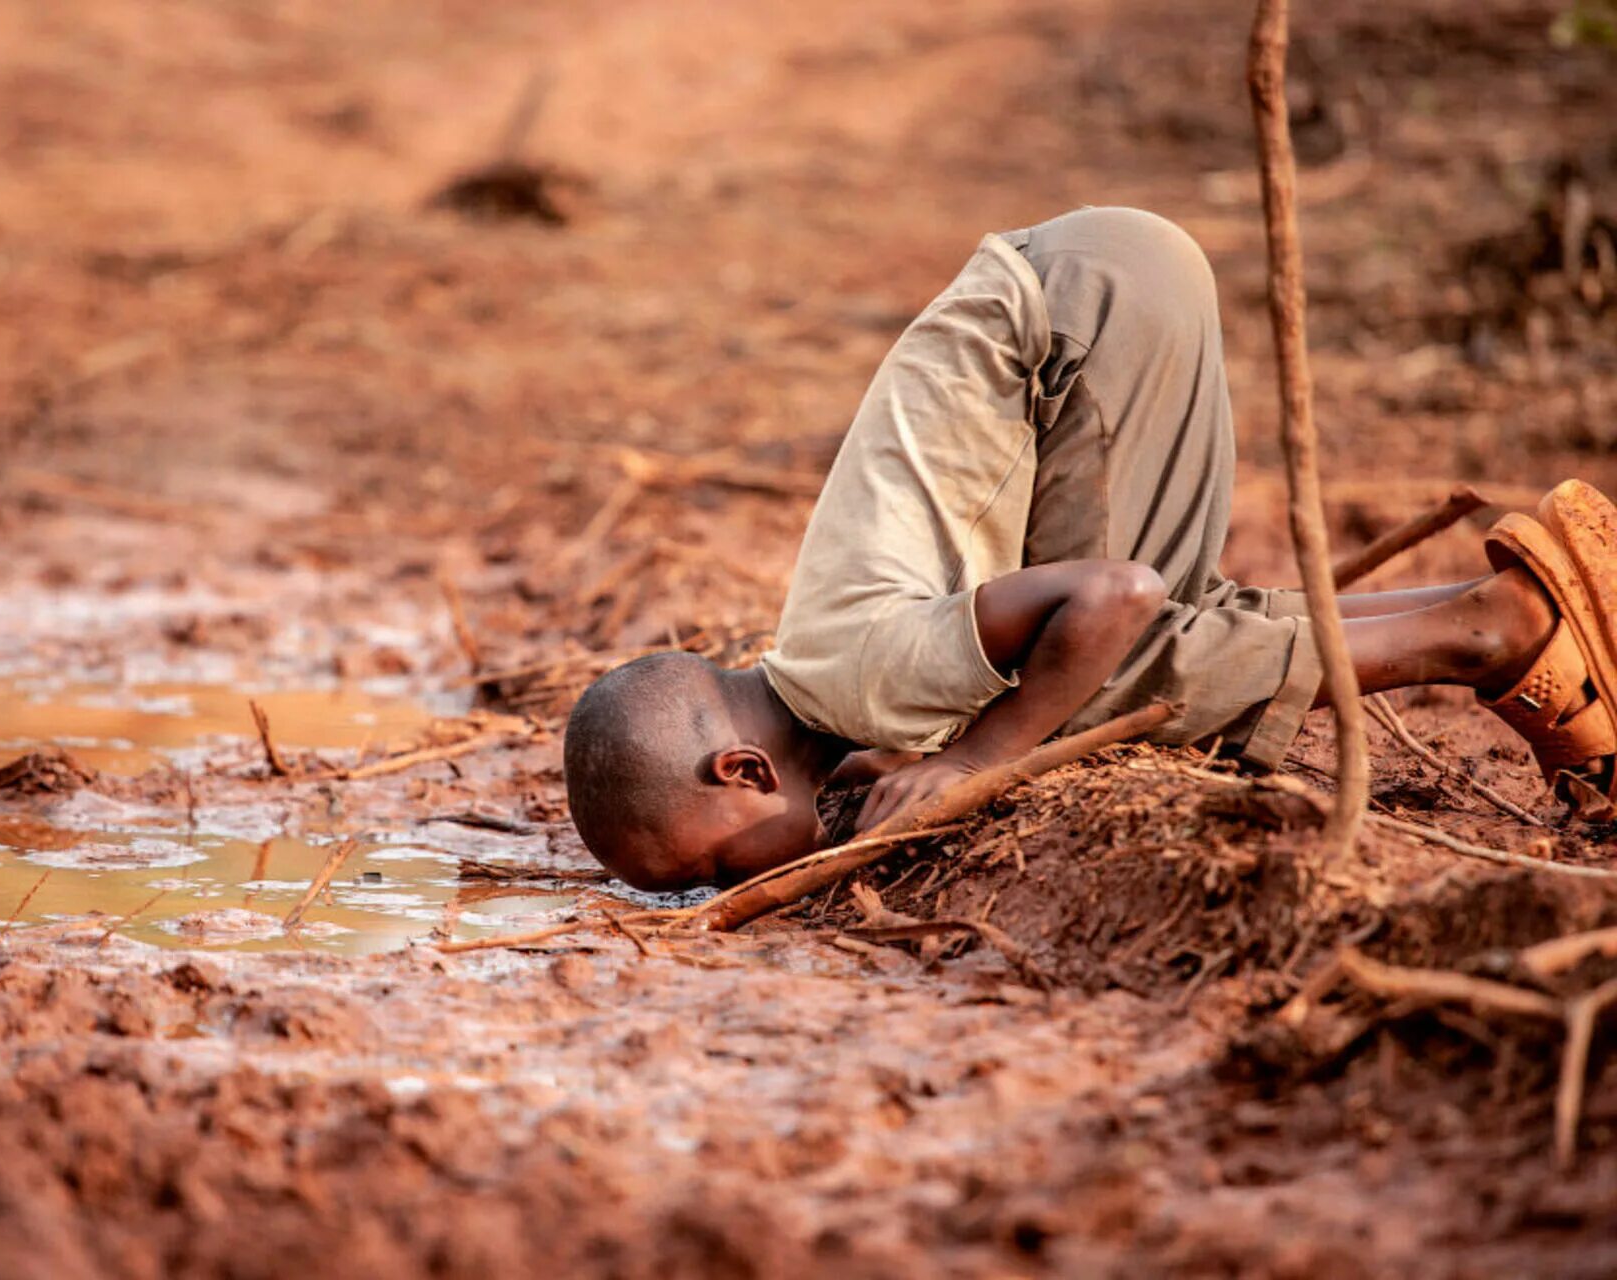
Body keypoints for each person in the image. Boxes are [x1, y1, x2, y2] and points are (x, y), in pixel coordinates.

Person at [562, 206, 1617, 891]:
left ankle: (1498, 633)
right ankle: (1526, 602)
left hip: (1080, 323)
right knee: (1127, 654)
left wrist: (977, 758)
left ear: (742, 769)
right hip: (1094, 280)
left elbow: (1115, 594)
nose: (720, 889)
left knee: (1107, 678)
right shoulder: (830, 672)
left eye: (701, 869)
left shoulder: (862, 679)